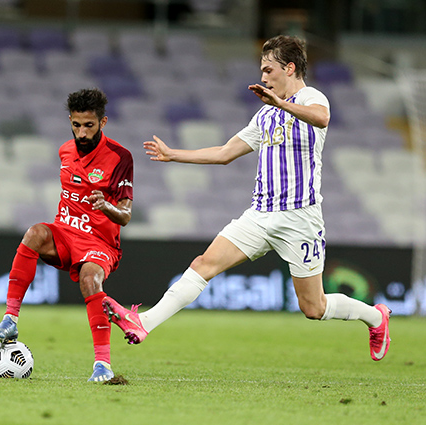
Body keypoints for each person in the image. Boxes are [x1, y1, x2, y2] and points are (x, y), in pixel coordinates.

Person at [102, 35, 391, 361]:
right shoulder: (265, 116)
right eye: (262, 70)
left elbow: (321, 118)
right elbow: (225, 153)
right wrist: (173, 154)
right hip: (260, 214)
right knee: (203, 264)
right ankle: (144, 322)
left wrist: (280, 103)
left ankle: (375, 317)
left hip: (300, 218)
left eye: (268, 69)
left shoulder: (312, 97)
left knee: (314, 307)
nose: (263, 77)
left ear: (290, 68)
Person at [0, 88, 134, 381]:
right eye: (76, 125)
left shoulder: (120, 157)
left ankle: (102, 365)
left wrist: (106, 205)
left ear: (103, 122)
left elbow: (126, 215)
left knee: (90, 280)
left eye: (89, 125)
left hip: (99, 242)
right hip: (65, 234)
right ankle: (10, 319)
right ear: (70, 121)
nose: (82, 132)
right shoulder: (65, 151)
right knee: (34, 233)